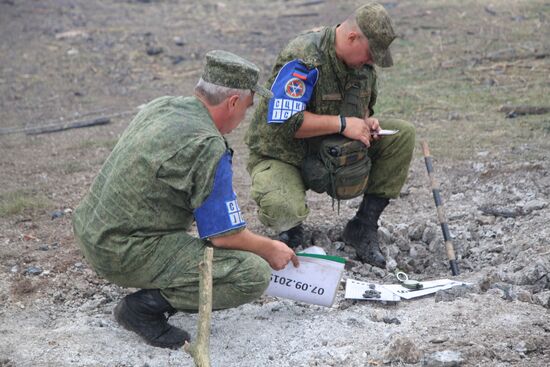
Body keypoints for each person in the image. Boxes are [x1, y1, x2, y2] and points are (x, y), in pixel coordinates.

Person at [72, 50, 299, 350]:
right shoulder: (208, 145)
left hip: (91, 229)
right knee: (252, 274)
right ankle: (143, 310)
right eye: (246, 107)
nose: (244, 116)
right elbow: (224, 237)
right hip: (120, 250)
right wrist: (270, 248)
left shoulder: (162, 106)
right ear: (232, 103)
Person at [245, 2, 415, 268]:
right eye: (370, 54)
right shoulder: (304, 56)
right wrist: (343, 124)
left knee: (402, 135)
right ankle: (291, 230)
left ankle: (363, 226)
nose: (371, 61)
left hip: (333, 153)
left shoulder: (362, 67)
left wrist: (366, 122)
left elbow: (364, 108)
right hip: (285, 155)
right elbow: (286, 120)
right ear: (351, 37)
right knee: (282, 208)